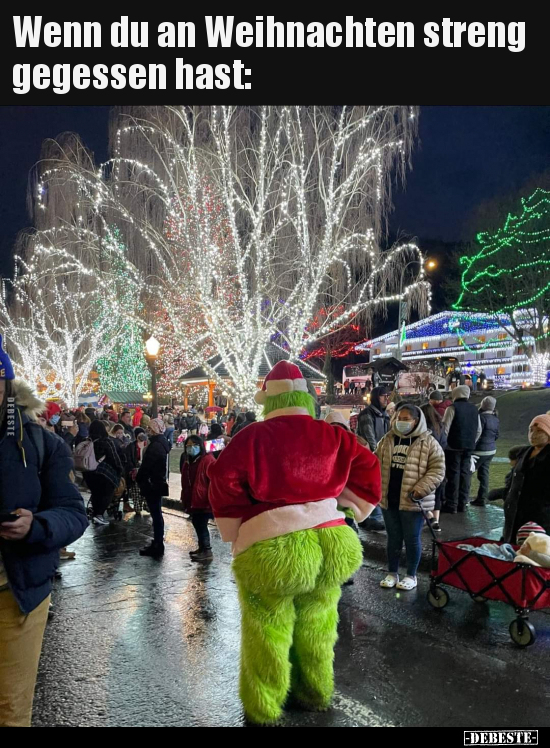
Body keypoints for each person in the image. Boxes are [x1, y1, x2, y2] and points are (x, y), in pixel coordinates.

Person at [208, 361, 381, 726]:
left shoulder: (251, 437)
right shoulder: (333, 435)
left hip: (274, 548)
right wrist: (351, 506)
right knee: (318, 624)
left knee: (267, 629)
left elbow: (223, 480)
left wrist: (237, 527)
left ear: (268, 401)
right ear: (307, 396)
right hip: (331, 542)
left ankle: (264, 706)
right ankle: (315, 692)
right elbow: (367, 467)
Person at [0, 339, 87, 727]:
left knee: (10, 707)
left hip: (16, 594)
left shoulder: (41, 443)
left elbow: (73, 512)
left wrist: (37, 525)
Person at [376, 404, 445, 591]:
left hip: (413, 501)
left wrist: (421, 489)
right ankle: (392, 572)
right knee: (393, 538)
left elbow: (438, 469)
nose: (402, 422)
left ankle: (411, 575)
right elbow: (375, 462)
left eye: (406, 419)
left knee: (412, 538)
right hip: (389, 499)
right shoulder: (387, 440)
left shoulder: (428, 443)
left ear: (416, 421)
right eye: (399, 418)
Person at [503, 415, 550, 544]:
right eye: (531, 430)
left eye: (539, 430)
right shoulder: (524, 452)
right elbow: (513, 478)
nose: (533, 435)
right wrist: (506, 494)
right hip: (514, 514)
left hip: (539, 516)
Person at [441, 385, 482, 514]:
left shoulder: (452, 408)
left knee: (453, 475)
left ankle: (451, 504)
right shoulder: (475, 409)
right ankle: (462, 503)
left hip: (453, 446)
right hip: (468, 447)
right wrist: (472, 441)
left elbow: (445, 428)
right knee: (465, 475)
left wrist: (444, 444)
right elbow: (479, 429)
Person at [356, 385, 390, 531]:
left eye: (387, 396)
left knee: (378, 486)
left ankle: (370, 517)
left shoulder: (384, 415)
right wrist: (377, 453)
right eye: (383, 396)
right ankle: (369, 518)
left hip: (379, 455)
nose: (386, 398)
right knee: (370, 487)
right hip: (369, 457)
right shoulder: (367, 414)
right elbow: (369, 436)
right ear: (377, 397)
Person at [137, 417, 171, 558]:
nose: (148, 431)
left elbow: (147, 466)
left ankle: (158, 543)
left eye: (150, 428)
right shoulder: (163, 443)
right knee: (156, 513)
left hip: (153, 484)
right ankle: (157, 542)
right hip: (158, 482)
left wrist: (140, 477)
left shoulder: (155, 446)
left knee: (156, 514)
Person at [180, 435, 216, 561]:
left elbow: (213, 480)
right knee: (196, 522)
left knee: (201, 524)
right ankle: (202, 548)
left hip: (203, 499)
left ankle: (207, 550)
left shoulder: (207, 460)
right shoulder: (188, 460)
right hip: (193, 498)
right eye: (188, 446)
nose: (191, 448)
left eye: (194, 445)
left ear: (200, 446)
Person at [84, 420, 124, 525]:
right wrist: (120, 469)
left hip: (88, 472)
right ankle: (99, 514)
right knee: (107, 493)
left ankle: (96, 514)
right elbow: (114, 457)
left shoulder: (87, 441)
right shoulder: (106, 441)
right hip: (103, 473)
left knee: (95, 493)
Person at [420, 403, 447, 532]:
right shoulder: (441, 426)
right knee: (438, 492)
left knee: (424, 492)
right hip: (440, 461)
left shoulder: (425, 429)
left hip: (427, 462)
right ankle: (436, 520)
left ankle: (430, 517)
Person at [471, 396, 500, 507]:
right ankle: (482, 498)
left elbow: (477, 433)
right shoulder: (495, 418)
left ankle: (462, 499)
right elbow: (497, 435)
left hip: (479, 451)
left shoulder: (480, 417)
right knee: (484, 475)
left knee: (468, 473)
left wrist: (473, 446)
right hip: (491, 450)